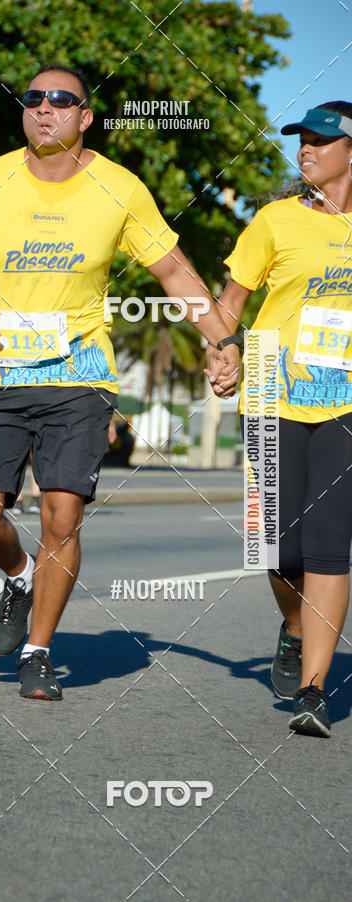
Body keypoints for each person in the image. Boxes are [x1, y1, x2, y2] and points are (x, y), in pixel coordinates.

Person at [0, 63, 240, 700]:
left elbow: (175, 272)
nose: (44, 109)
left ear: (85, 116)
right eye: (33, 99)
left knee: (62, 514)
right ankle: (18, 573)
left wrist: (222, 338)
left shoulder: (120, 188)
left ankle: (39, 651)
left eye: (60, 100)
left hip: (79, 377)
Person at [206, 102, 352, 737]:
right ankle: (294, 626)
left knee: (328, 544)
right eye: (303, 140)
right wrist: (224, 352)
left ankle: (315, 690)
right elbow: (230, 304)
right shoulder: (274, 222)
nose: (306, 150)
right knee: (278, 548)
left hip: (347, 401)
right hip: (271, 388)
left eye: (322, 140)